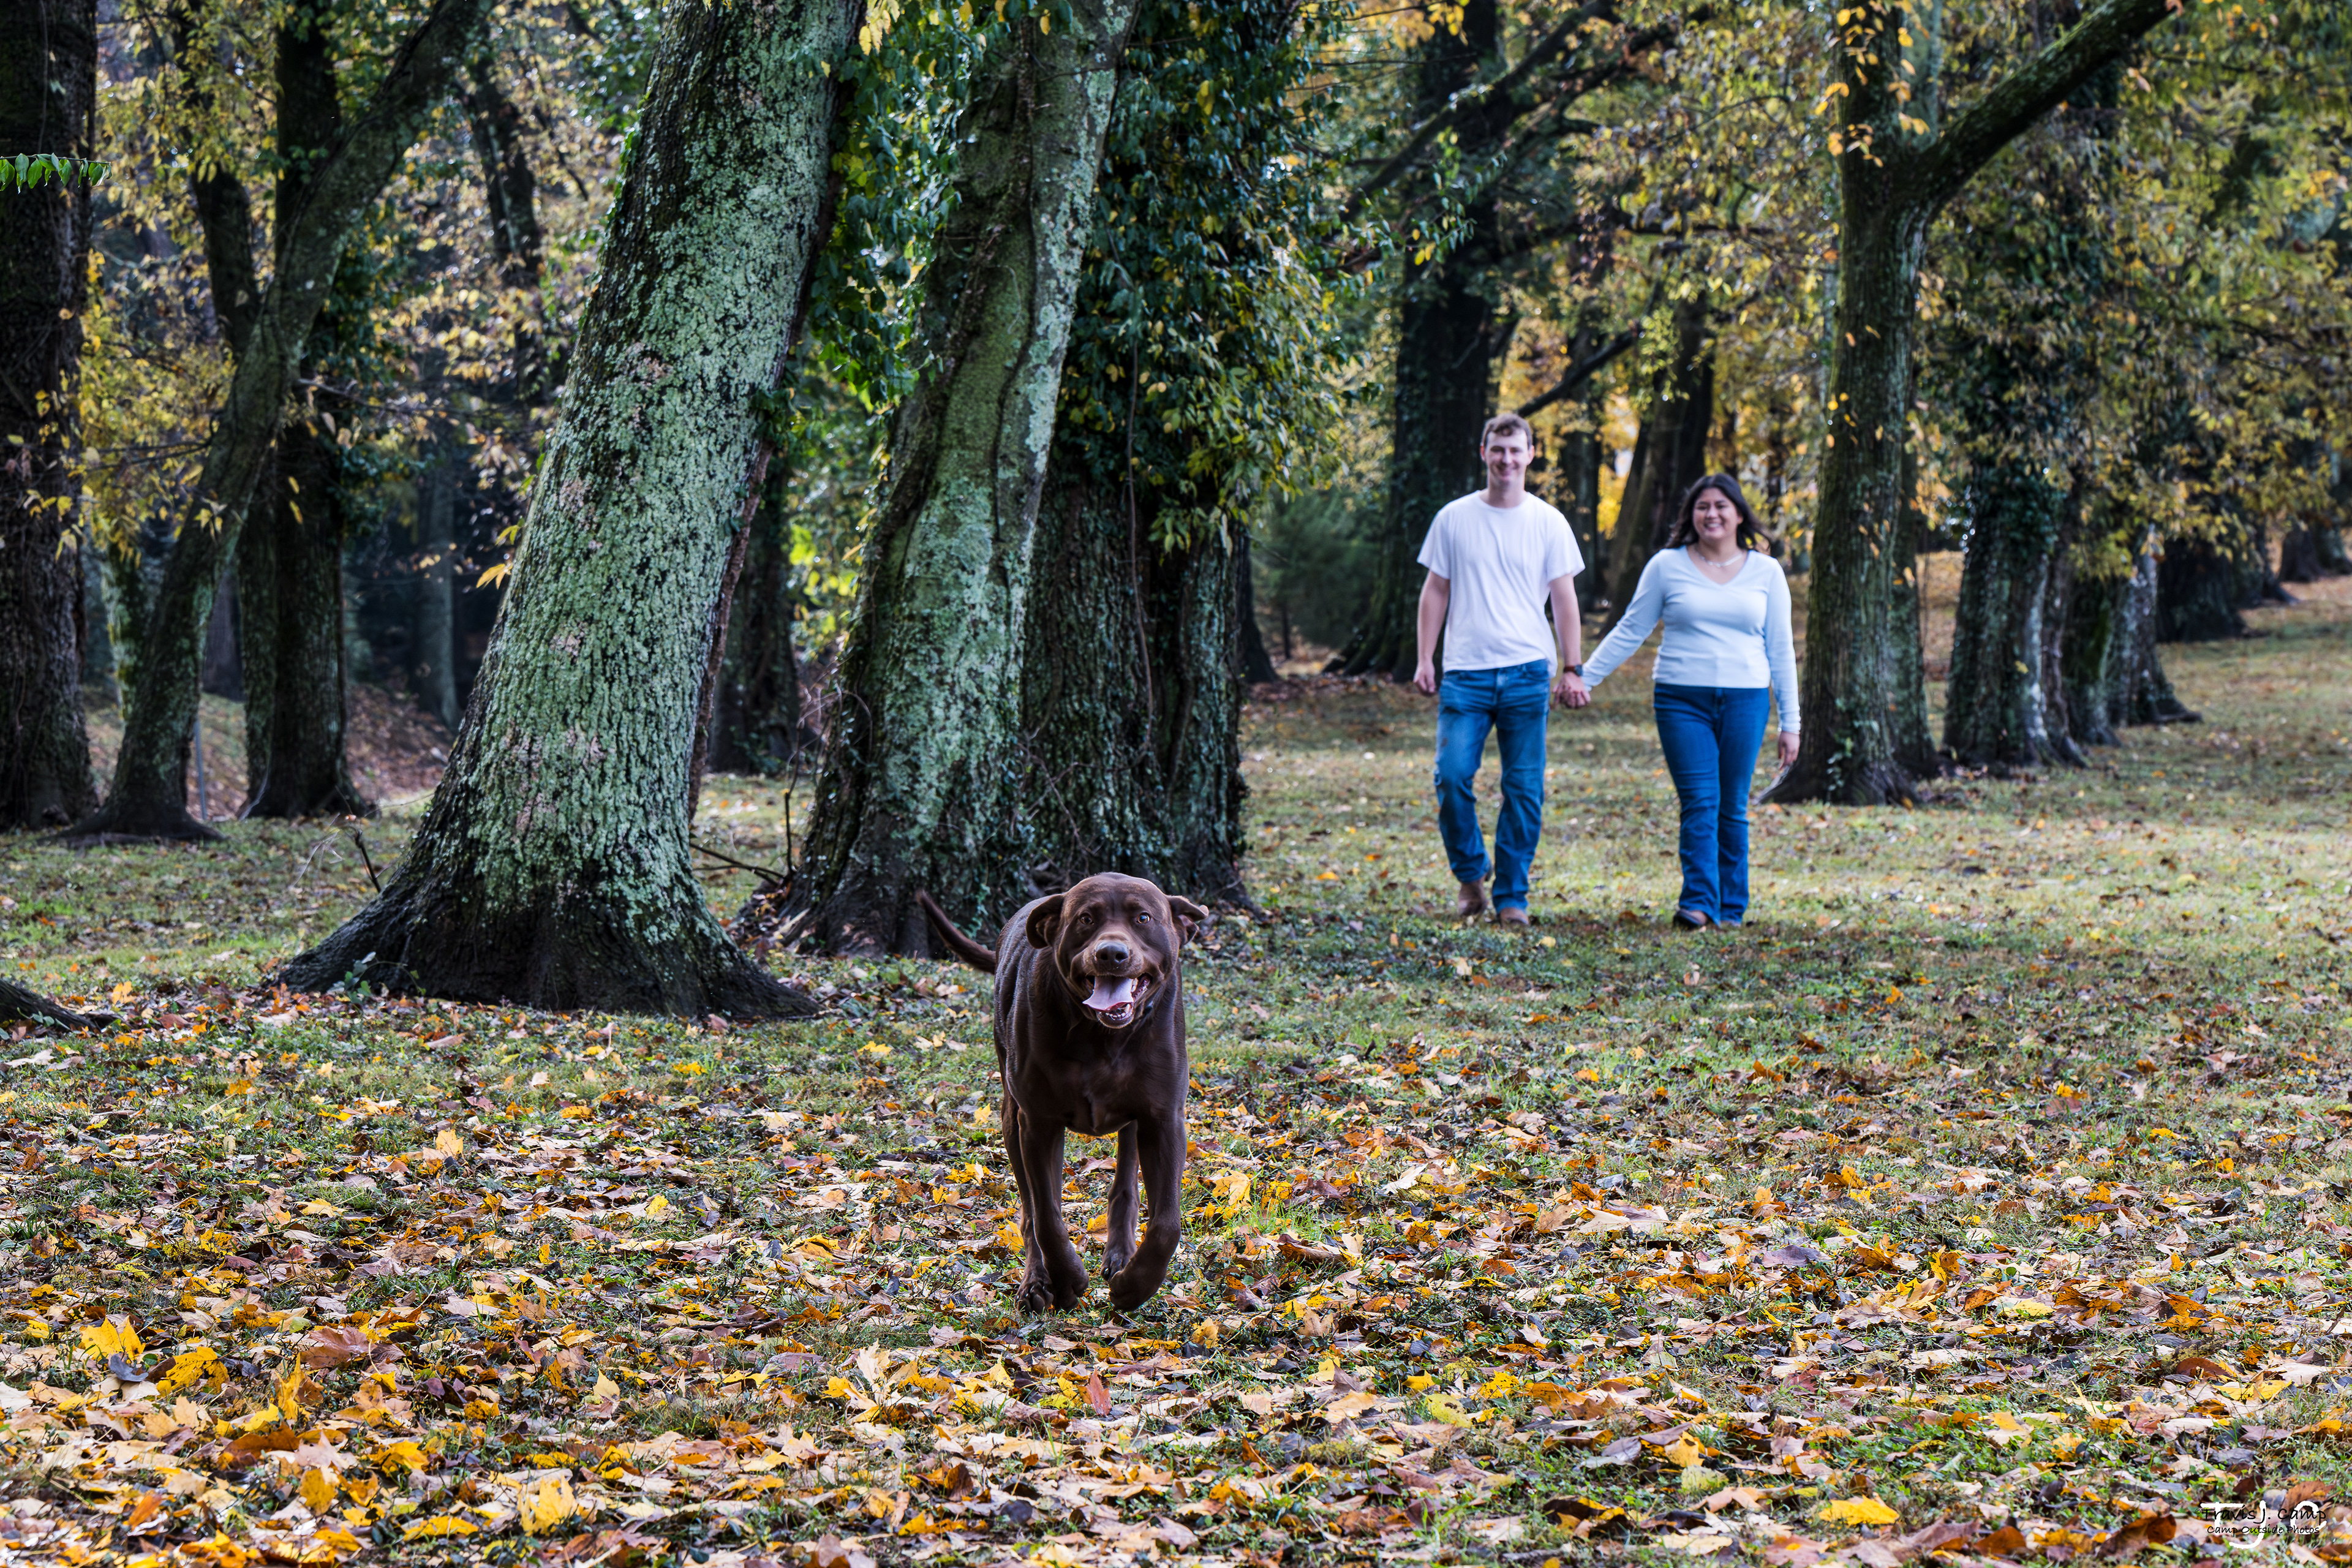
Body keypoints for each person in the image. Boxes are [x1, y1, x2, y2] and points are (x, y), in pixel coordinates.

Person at [1578, 474, 1799, 930]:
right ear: (1690, 516)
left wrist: (1790, 723)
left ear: (1739, 514)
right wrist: (1586, 676)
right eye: (1702, 507)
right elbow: (1630, 628)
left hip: (1746, 699)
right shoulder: (1667, 566)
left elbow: (1781, 649)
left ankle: (1732, 908)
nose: (1712, 514)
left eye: (1721, 506)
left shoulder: (1767, 572)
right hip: (1681, 699)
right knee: (1700, 800)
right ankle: (1698, 902)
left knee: (1732, 804)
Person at [1412, 413, 1588, 925]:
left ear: (1531, 454)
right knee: (1452, 777)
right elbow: (1435, 591)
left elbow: (1565, 600)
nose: (1507, 460)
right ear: (1483, 453)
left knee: (1524, 788)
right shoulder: (1453, 518)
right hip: (1465, 673)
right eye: (1498, 450)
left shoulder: (1548, 521)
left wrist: (1572, 668)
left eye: (1516, 450)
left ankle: (1512, 896)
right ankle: (1471, 875)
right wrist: (1426, 657)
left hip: (1529, 672)